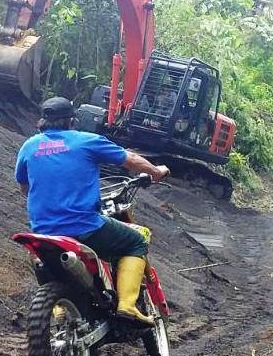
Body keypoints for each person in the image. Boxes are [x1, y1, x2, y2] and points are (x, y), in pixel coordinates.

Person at [15, 97, 169, 327]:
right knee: (135, 242)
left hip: (43, 231)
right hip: (84, 227)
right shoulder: (87, 141)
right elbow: (131, 159)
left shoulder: (29, 146)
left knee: (43, 263)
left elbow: (24, 188)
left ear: (43, 122)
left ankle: (60, 311)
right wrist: (156, 172)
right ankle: (126, 305)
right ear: (72, 120)